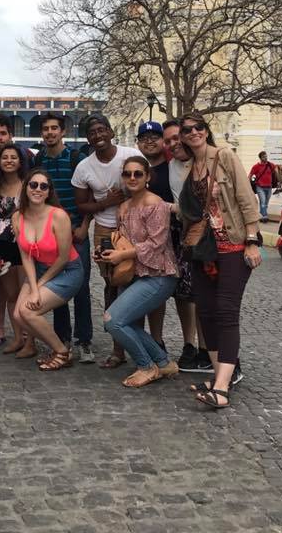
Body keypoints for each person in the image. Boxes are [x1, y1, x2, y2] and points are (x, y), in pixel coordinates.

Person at [178, 112, 261, 410]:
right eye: (187, 130)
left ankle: (223, 387)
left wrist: (252, 241)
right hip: (203, 250)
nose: (193, 133)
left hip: (234, 245)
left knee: (226, 312)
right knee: (207, 312)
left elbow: (246, 200)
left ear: (206, 130)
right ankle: (217, 376)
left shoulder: (224, 157)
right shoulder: (192, 168)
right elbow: (188, 211)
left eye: (198, 127)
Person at [101, 157, 180, 388]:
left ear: (147, 177)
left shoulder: (155, 203)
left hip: (158, 274)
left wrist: (122, 256)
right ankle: (163, 362)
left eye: (138, 173)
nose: (132, 178)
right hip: (133, 274)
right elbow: (123, 242)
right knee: (126, 322)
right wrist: (107, 253)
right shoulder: (123, 207)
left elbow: (156, 244)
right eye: (127, 174)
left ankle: (147, 366)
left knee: (113, 321)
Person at [72, 113, 142, 369]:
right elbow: (81, 204)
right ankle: (117, 349)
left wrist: (125, 195)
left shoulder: (130, 155)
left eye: (102, 130)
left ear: (111, 132)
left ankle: (140, 345)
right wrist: (106, 203)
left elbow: (146, 184)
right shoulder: (84, 167)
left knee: (137, 285)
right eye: (93, 133)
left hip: (135, 227)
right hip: (105, 230)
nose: (98, 136)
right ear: (88, 139)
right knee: (112, 284)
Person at [33, 112, 94, 363]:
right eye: (45, 129)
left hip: (76, 233)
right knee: (57, 289)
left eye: (54, 128)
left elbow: (89, 196)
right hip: (51, 235)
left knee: (81, 288)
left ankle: (84, 340)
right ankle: (62, 338)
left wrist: (85, 226)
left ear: (63, 131)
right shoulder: (39, 159)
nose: (49, 132)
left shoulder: (76, 158)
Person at [12, 169, 84, 371]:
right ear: (26, 188)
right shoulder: (18, 217)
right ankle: (55, 347)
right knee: (18, 316)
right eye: (33, 184)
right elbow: (26, 256)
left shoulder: (58, 216)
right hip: (38, 268)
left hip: (67, 271)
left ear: (49, 192)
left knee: (28, 311)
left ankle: (61, 352)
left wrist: (37, 288)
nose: (38, 189)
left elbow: (62, 259)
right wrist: (33, 286)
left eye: (44, 186)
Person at [0, 113, 35, 346]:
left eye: (3, 133)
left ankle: (26, 334)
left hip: (25, 242)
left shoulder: (28, 173)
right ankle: (2, 329)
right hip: (0, 243)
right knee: (2, 287)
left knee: (25, 288)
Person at [162, 120, 211, 373]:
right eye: (168, 141)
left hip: (208, 237)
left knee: (204, 293)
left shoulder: (205, 163)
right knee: (184, 293)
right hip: (183, 236)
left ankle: (207, 348)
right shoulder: (170, 165)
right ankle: (189, 345)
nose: (173, 144)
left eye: (175, 138)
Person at [0, 144, 32, 357]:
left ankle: (29, 339)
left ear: (20, 161)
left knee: (27, 292)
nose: (8, 160)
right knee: (11, 294)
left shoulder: (28, 185)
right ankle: (17, 337)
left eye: (13, 157)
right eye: (5, 157)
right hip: (3, 246)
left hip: (24, 245)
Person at [134, 121, 170, 351]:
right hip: (140, 240)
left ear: (163, 140)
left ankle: (162, 341)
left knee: (177, 297)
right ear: (138, 143)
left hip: (170, 238)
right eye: (144, 137)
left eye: (155, 136)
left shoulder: (175, 167)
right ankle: (147, 342)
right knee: (142, 291)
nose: (149, 140)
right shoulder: (136, 169)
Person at [249, 151, 277, 223]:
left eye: (266, 156)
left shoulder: (271, 165)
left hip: (269, 187)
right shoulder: (256, 166)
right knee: (263, 202)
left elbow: (276, 170)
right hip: (260, 187)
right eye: (264, 157)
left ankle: (261, 215)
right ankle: (264, 216)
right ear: (260, 158)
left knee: (266, 203)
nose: (266, 158)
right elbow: (250, 175)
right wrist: (247, 183)